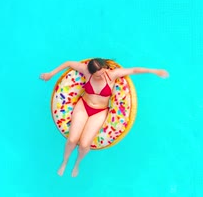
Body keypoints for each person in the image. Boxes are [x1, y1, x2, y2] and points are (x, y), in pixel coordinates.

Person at [39, 58, 169, 177]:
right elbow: (68, 63)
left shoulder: (111, 75)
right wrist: (51, 74)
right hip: (83, 106)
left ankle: (77, 163)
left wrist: (155, 71)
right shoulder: (86, 71)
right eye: (98, 75)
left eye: (102, 72)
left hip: (99, 111)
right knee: (72, 140)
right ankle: (65, 161)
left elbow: (134, 70)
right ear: (91, 72)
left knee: (84, 145)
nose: (102, 75)